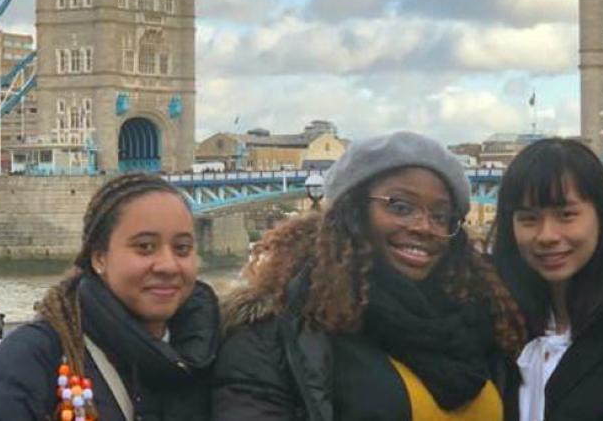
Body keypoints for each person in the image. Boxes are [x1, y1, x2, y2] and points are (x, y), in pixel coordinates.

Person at [212, 131, 524, 420]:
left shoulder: (486, 318)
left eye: (441, 216)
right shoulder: (275, 334)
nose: (423, 226)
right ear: (353, 212)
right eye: (400, 207)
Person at [0, 173, 220, 421]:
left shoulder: (221, 353)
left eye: (182, 248)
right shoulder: (33, 358)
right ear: (99, 257)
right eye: (144, 247)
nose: (168, 265)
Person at [491, 138, 603, 420]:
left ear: (602, 216)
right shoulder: (493, 325)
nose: (547, 235)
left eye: (566, 215)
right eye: (528, 219)